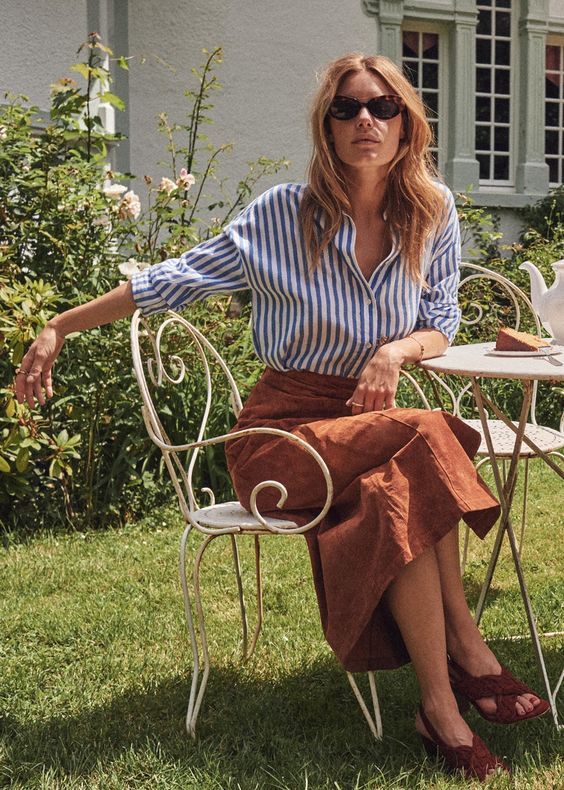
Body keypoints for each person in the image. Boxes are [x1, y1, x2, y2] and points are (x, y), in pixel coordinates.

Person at [15, 53, 548, 781]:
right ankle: (468, 645)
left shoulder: (432, 211)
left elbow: (442, 321)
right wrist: (60, 326)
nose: (366, 120)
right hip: (281, 438)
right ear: (326, 128)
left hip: (366, 423)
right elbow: (168, 283)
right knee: (428, 433)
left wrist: (394, 352)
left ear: (406, 126)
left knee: (401, 488)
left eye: (382, 108)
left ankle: (438, 707)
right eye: (347, 109)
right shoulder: (279, 216)